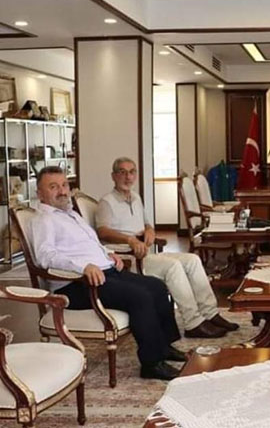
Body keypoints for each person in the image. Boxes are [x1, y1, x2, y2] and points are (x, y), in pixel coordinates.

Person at [30, 166, 183, 380]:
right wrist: (83, 267)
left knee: (157, 286)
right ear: (40, 193)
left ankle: (163, 347)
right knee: (140, 297)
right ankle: (152, 364)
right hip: (75, 285)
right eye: (53, 187)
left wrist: (107, 253)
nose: (62, 191)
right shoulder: (44, 219)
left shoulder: (71, 214)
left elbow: (89, 244)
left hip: (103, 273)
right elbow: (45, 256)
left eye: (64, 185)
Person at [95, 157, 238, 339]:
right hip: (127, 258)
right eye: (122, 172)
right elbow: (102, 231)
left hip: (145, 254)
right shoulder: (106, 202)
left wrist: (150, 231)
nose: (128, 177)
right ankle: (193, 323)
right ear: (113, 176)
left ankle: (210, 314)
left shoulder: (136, 198)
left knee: (192, 260)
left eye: (131, 172)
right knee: (173, 266)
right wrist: (130, 240)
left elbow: (147, 224)